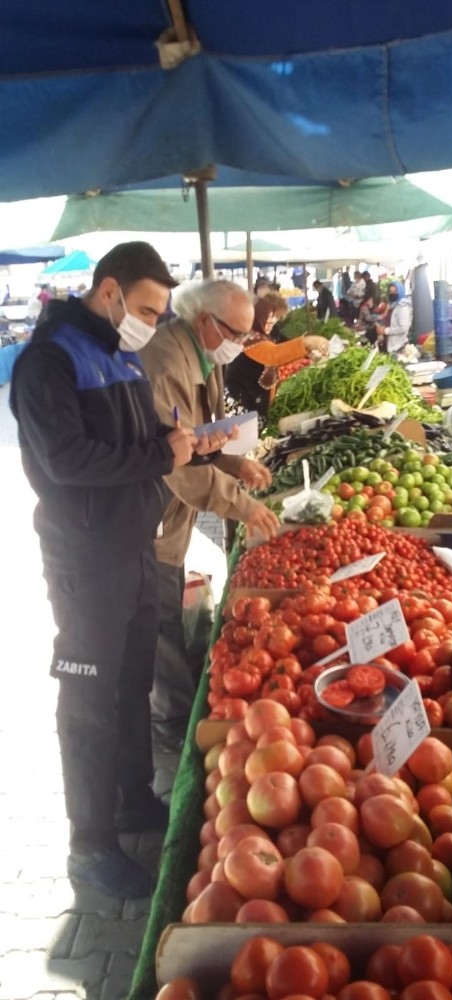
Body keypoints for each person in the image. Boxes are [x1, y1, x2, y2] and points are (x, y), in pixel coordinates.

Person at [9, 241, 204, 899]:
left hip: (134, 550)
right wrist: (158, 455)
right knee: (88, 702)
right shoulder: (47, 362)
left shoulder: (118, 355)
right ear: (110, 290)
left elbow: (145, 442)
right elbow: (66, 461)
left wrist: (184, 446)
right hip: (84, 561)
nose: (152, 321)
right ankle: (88, 845)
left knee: (132, 682)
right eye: (147, 307)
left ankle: (131, 800)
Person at [140, 280, 280, 750]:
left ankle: (171, 712)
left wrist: (234, 462)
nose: (241, 344)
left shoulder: (202, 356)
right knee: (160, 617)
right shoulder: (165, 364)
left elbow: (200, 440)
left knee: (167, 605)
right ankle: (173, 725)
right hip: (150, 513)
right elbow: (178, 466)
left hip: (172, 515)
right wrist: (242, 504)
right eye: (237, 334)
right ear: (204, 322)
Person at [225, 292, 327, 420]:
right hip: (240, 404)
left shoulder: (263, 334)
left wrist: (307, 355)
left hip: (253, 400)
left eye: (274, 321)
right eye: (267, 320)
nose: (271, 324)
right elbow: (273, 355)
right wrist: (306, 342)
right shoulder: (249, 337)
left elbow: (282, 348)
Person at [372, 279, 413, 353]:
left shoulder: (403, 307)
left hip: (398, 347)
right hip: (390, 344)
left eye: (395, 291)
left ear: (400, 292)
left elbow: (403, 328)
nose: (392, 294)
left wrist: (385, 330)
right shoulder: (393, 305)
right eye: (390, 292)